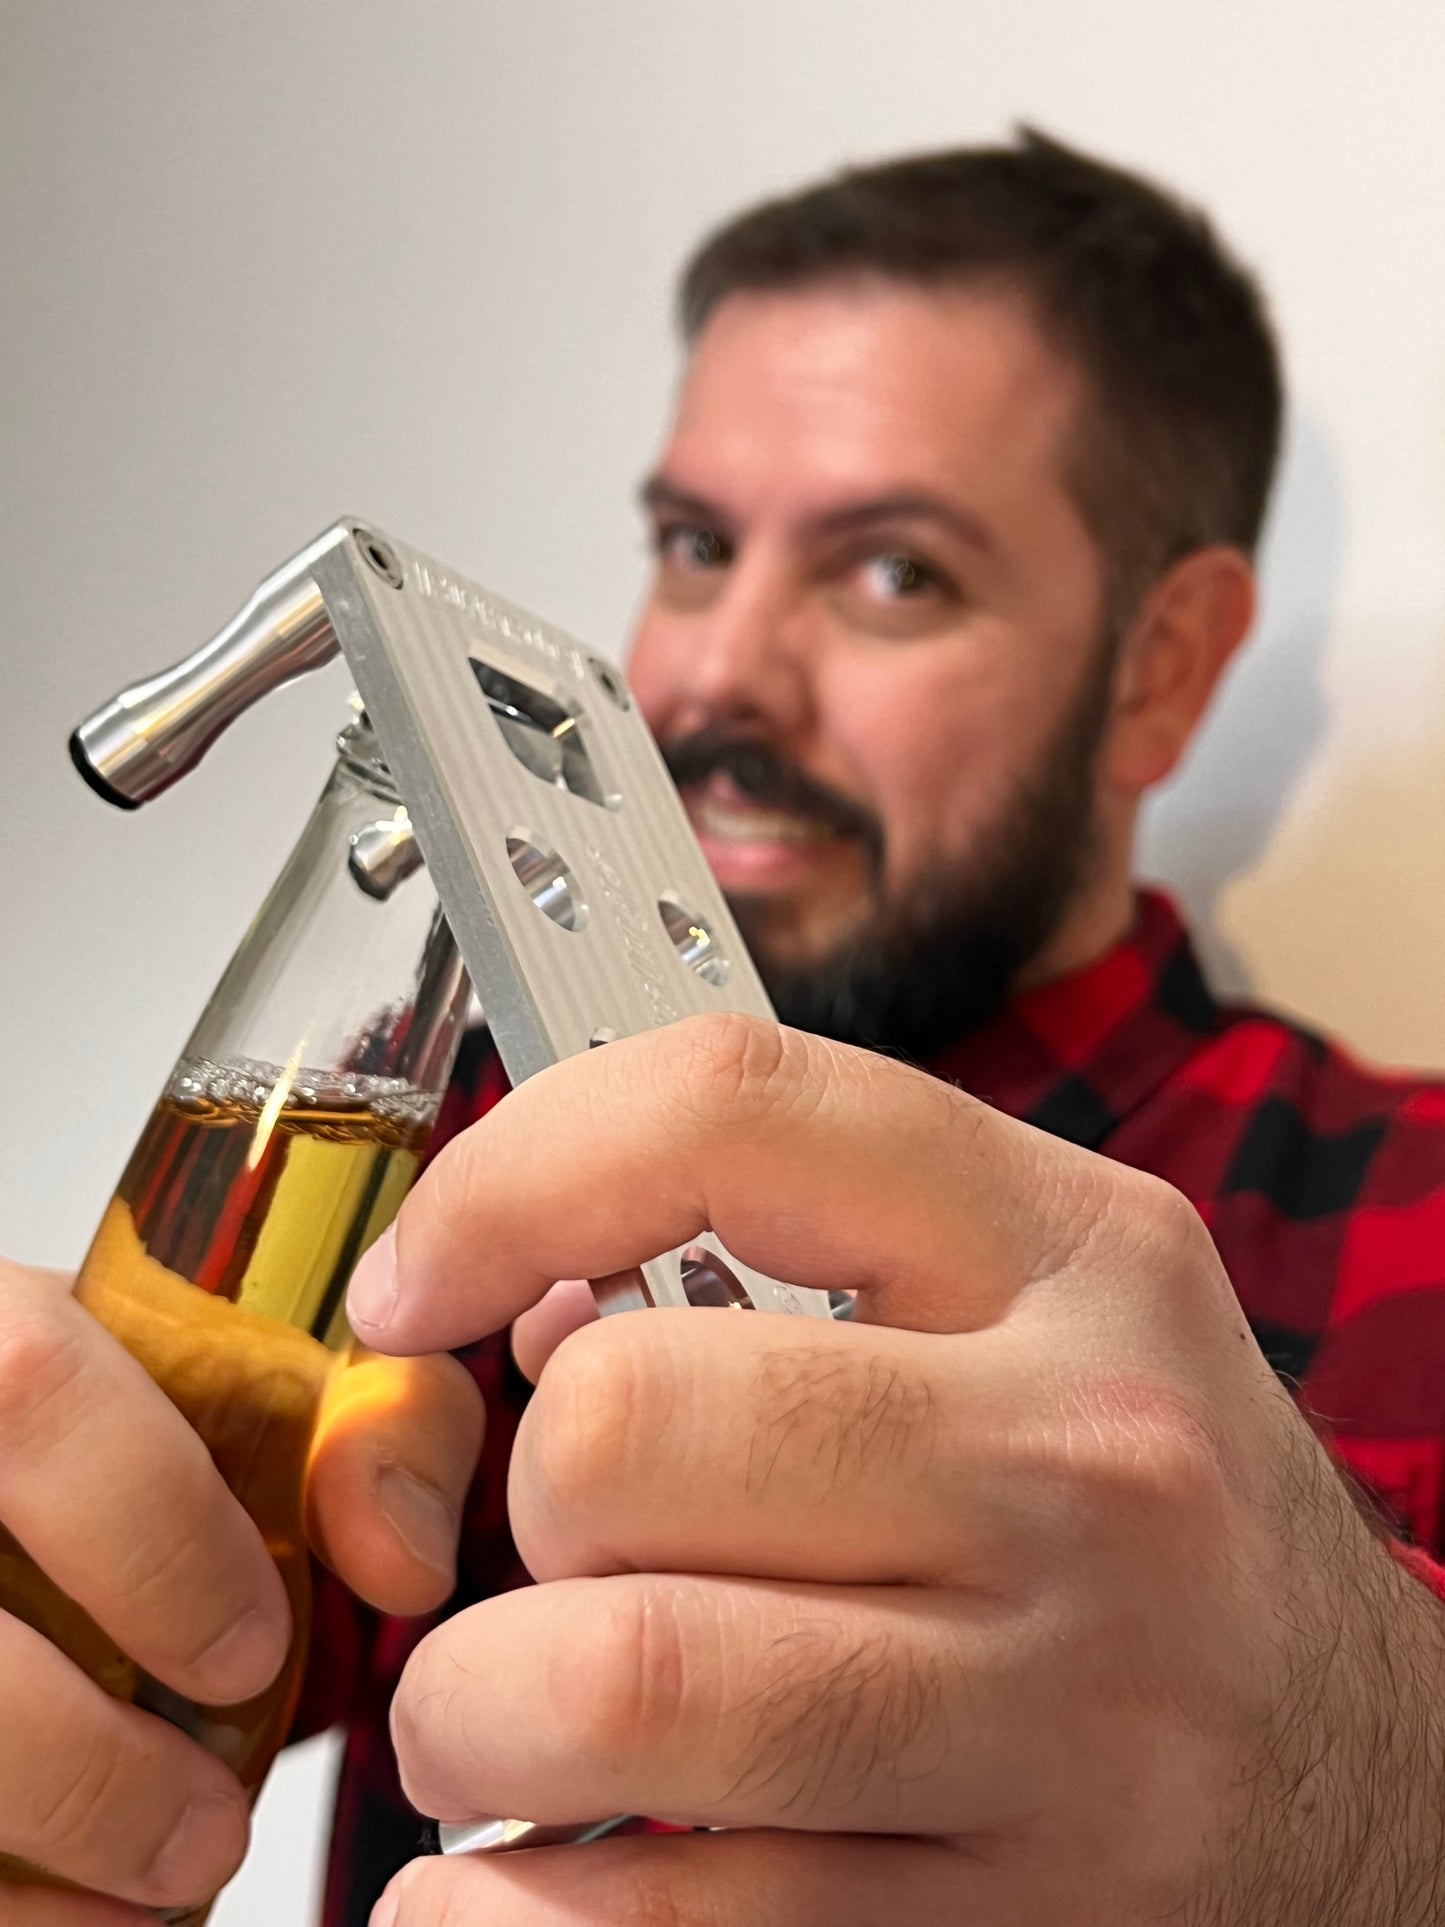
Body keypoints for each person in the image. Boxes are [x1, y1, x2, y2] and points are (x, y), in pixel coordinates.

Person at [2, 129, 1445, 1925]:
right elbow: (138, 1668)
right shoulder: (457, 1143)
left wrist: (1364, 1765)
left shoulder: (1417, 1208)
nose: (705, 677)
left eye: (892, 573)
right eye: (693, 546)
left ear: (1159, 666)